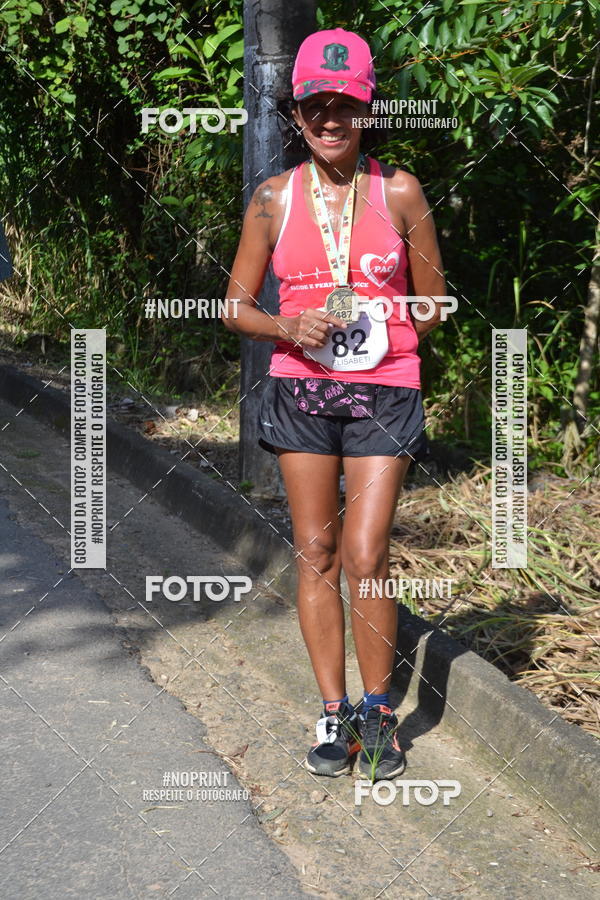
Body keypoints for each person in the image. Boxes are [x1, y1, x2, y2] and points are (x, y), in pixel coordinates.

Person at [221, 28, 446, 780]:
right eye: (315, 104)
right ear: (296, 111)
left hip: (385, 388)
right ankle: (332, 712)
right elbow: (235, 308)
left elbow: (435, 302)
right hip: (301, 387)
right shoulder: (272, 199)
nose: (328, 118)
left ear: (366, 107)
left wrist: (387, 318)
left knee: (364, 552)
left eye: (343, 104)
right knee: (316, 552)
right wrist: (289, 323)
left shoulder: (401, 191)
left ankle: (379, 711)